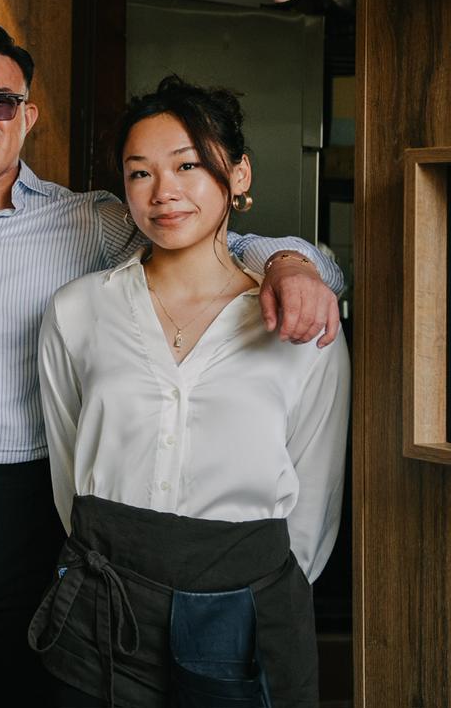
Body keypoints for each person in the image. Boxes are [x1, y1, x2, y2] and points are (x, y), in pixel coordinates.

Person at [0, 24, 345, 706]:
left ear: (28, 115)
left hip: (37, 507)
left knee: (44, 689)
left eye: (1, 102)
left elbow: (207, 236)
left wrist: (293, 262)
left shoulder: (92, 221)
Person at [32, 76, 349, 706]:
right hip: (105, 592)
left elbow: (315, 492)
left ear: (238, 176)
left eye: (188, 165)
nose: (165, 191)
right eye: (140, 173)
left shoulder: (300, 317)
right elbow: (70, 465)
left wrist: (257, 587)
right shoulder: (78, 311)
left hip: (248, 598)